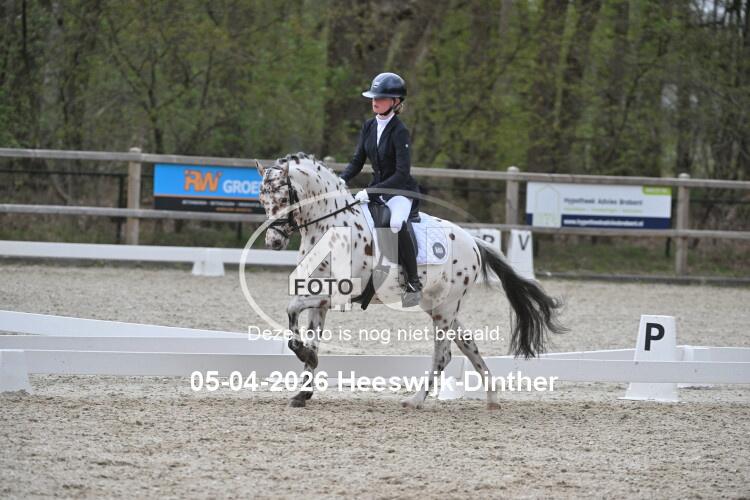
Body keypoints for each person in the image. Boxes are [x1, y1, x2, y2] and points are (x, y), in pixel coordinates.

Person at [339, 72, 423, 307]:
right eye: (373, 97)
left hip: (400, 191)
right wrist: (341, 180)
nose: (375, 101)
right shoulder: (368, 126)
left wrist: (372, 192)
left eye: (381, 98)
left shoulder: (400, 131)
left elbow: (402, 173)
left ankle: (413, 282)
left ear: (395, 102)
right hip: (376, 189)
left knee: (395, 223)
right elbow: (357, 161)